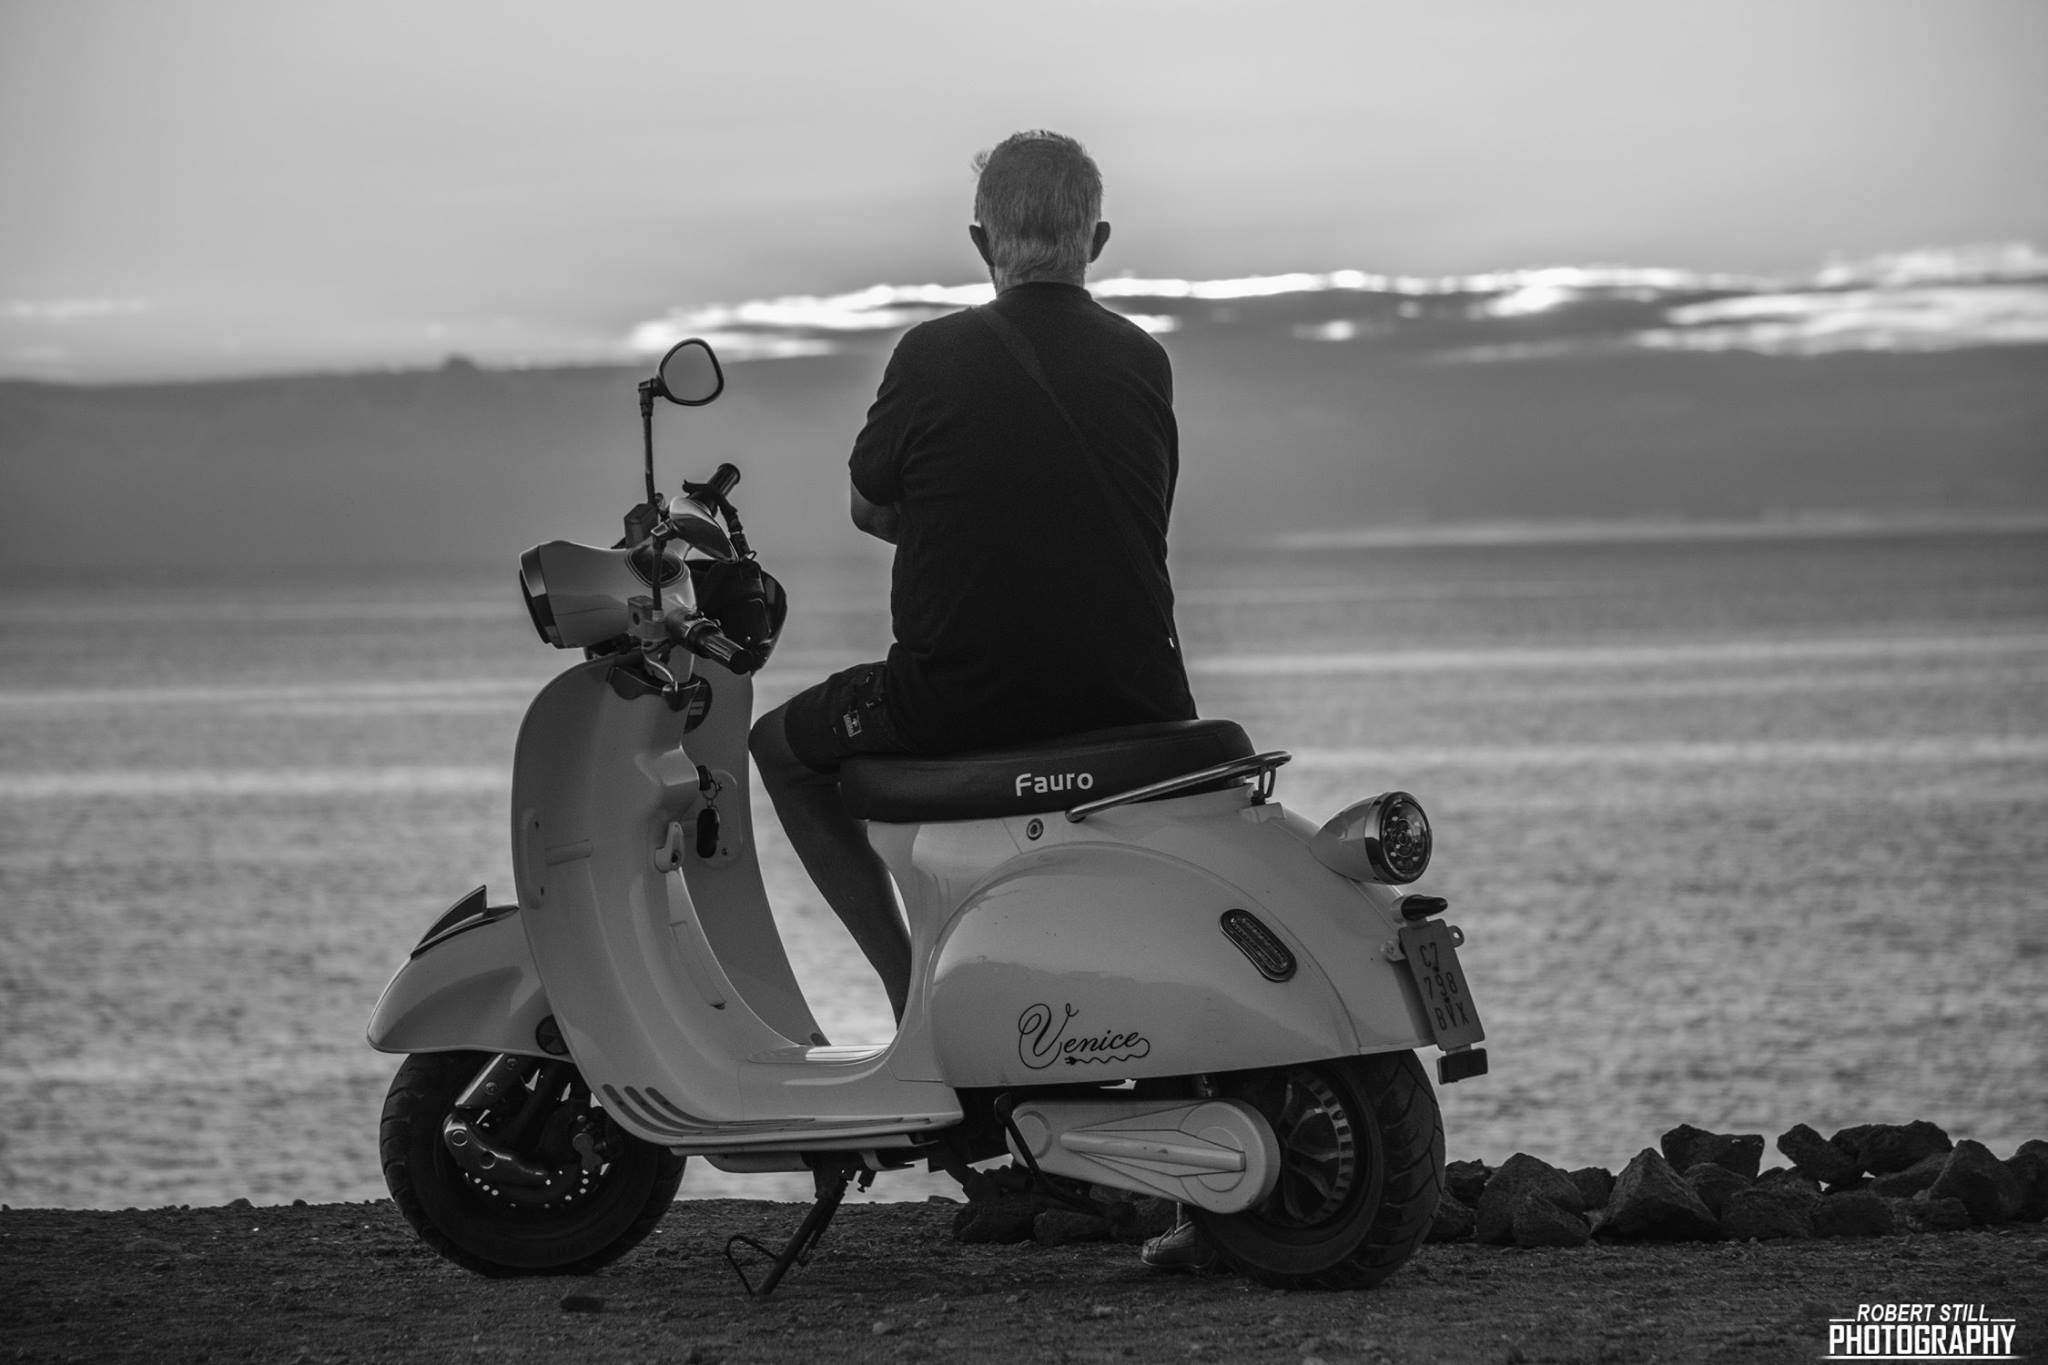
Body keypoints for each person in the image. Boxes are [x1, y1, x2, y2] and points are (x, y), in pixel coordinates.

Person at [746, 131, 1209, 1268]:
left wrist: (951, 523)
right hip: (1136, 696)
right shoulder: (1144, 359)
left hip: (960, 697)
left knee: (779, 746)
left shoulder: (930, 355)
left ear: (978, 241)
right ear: (1098, 239)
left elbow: (869, 505)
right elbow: (1128, 507)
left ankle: (916, 999)